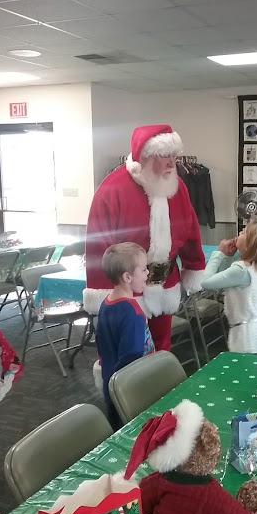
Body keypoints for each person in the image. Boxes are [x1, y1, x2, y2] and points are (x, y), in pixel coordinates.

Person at [84, 124, 205, 352]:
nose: (172, 163)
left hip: (165, 280)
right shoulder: (113, 189)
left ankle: (163, 387)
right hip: (127, 288)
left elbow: (191, 231)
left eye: (173, 156)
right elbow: (96, 245)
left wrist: (194, 265)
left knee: (162, 349)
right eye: (164, 156)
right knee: (127, 352)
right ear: (146, 156)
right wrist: (103, 289)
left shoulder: (177, 187)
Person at [95, 242, 155, 429]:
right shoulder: (133, 313)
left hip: (110, 383)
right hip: (129, 389)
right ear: (127, 277)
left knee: (116, 428)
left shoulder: (106, 303)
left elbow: (100, 343)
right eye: (144, 269)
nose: (147, 274)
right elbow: (132, 357)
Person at [201, 220, 257, 355]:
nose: (239, 233)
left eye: (244, 232)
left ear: (250, 245)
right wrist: (227, 257)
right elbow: (225, 277)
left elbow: (205, 282)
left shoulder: (241, 270)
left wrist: (218, 253)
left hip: (249, 341)